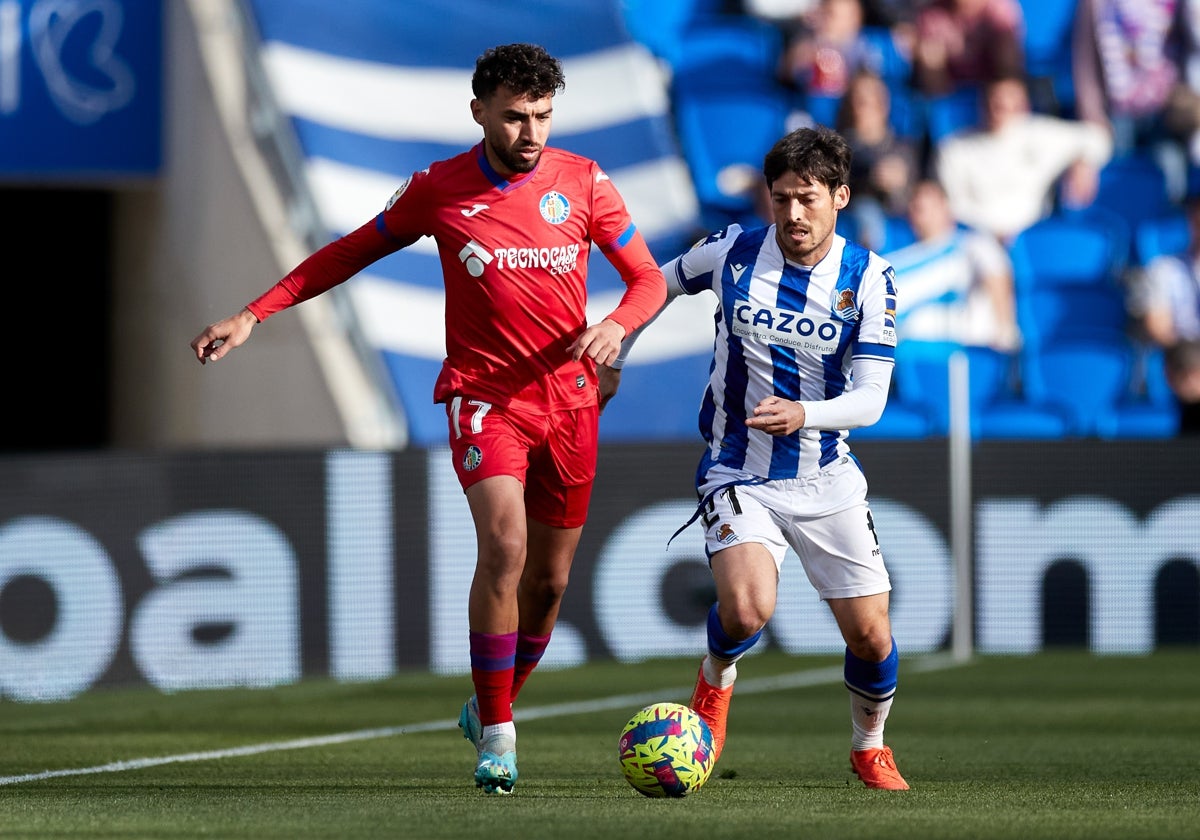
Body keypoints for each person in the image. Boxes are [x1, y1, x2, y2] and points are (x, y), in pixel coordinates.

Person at [188, 43, 667, 795]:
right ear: (479, 112)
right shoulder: (438, 189)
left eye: (542, 115)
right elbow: (348, 252)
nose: (531, 132)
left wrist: (616, 327)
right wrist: (255, 313)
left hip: (571, 403)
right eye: (514, 117)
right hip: (485, 399)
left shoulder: (584, 182)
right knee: (505, 545)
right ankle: (501, 740)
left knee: (548, 581)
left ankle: (490, 702)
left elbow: (646, 279)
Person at [609, 125, 909, 790]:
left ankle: (870, 746)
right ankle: (714, 686)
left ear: (840, 197)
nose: (794, 214)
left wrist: (807, 414)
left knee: (872, 639)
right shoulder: (731, 254)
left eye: (807, 198)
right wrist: (616, 348)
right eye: (781, 199)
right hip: (740, 468)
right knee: (746, 611)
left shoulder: (871, 279)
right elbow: (655, 284)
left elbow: (870, 400)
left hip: (828, 477)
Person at [933, 72, 1114, 244]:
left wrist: (1084, 162)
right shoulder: (954, 148)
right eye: (995, 104)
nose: (1001, 112)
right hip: (978, 240)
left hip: (1036, 240)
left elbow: (1099, 138)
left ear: (1025, 107)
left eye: (1010, 106)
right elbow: (954, 206)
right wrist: (996, 231)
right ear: (982, 106)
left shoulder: (1043, 135)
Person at [884, 178, 1020, 350]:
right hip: (908, 351)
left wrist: (1004, 331)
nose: (923, 215)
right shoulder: (898, 260)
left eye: (929, 207)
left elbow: (996, 273)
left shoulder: (972, 244)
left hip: (969, 350)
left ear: (945, 207)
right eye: (917, 208)